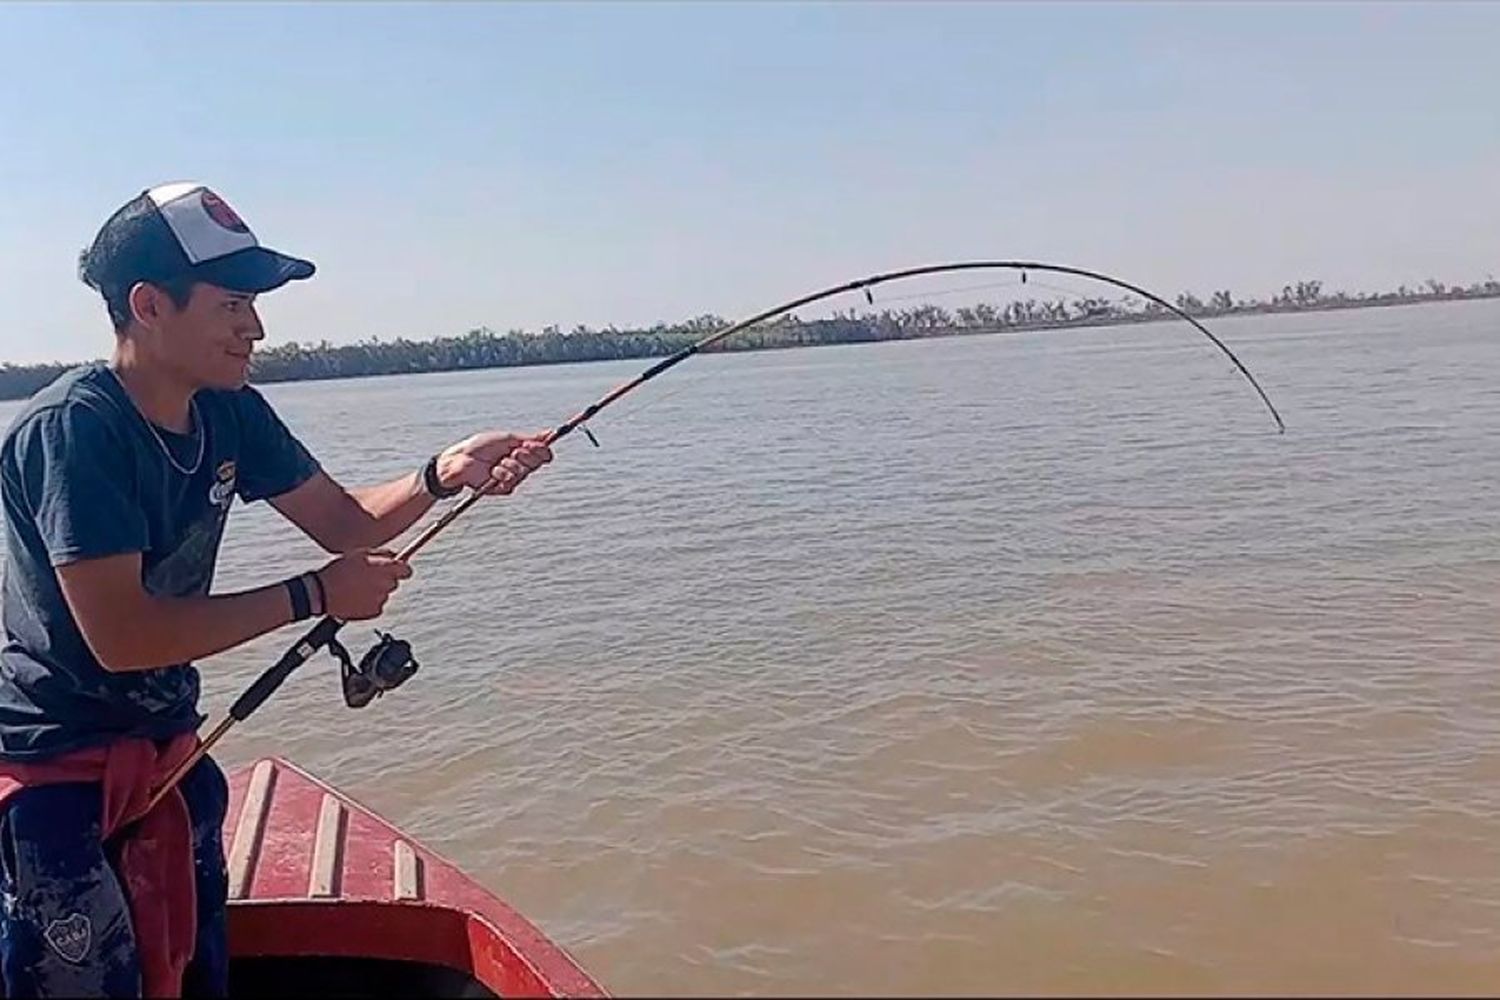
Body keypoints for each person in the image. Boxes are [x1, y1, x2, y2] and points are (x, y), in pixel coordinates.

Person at [0, 182, 553, 997]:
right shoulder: (76, 431)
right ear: (149, 305)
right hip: (54, 770)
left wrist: (443, 474)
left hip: (169, 751)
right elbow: (122, 636)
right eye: (232, 303)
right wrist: (313, 596)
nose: (254, 327)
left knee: (199, 975)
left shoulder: (232, 413)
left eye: (254, 303)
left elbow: (347, 523)